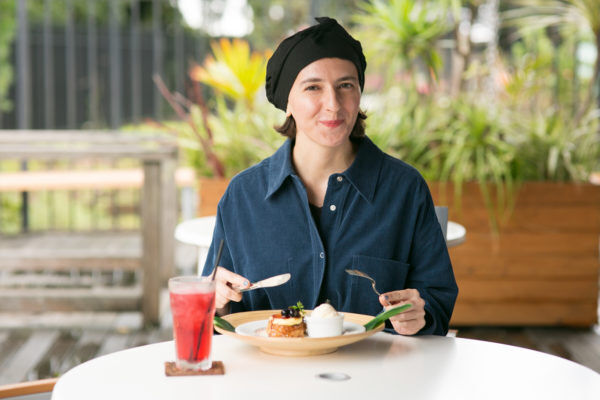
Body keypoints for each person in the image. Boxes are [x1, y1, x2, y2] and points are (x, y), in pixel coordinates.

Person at [202, 17, 458, 336]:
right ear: (288, 103)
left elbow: (436, 301)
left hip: (379, 378)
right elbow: (214, 312)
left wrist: (422, 314)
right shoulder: (243, 196)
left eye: (345, 86)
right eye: (313, 88)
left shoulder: (405, 190)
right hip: (270, 378)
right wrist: (218, 302)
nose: (333, 105)